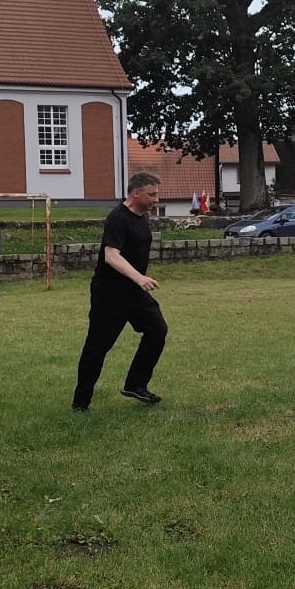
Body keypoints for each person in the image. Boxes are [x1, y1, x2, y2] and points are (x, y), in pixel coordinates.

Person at [73, 173, 168, 411]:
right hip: (110, 294)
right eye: (152, 194)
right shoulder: (117, 218)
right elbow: (111, 256)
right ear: (136, 193)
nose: (156, 199)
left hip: (134, 293)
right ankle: (80, 403)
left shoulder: (143, 216)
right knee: (97, 347)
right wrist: (139, 277)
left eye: (156, 194)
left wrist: (138, 281)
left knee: (157, 329)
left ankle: (135, 384)